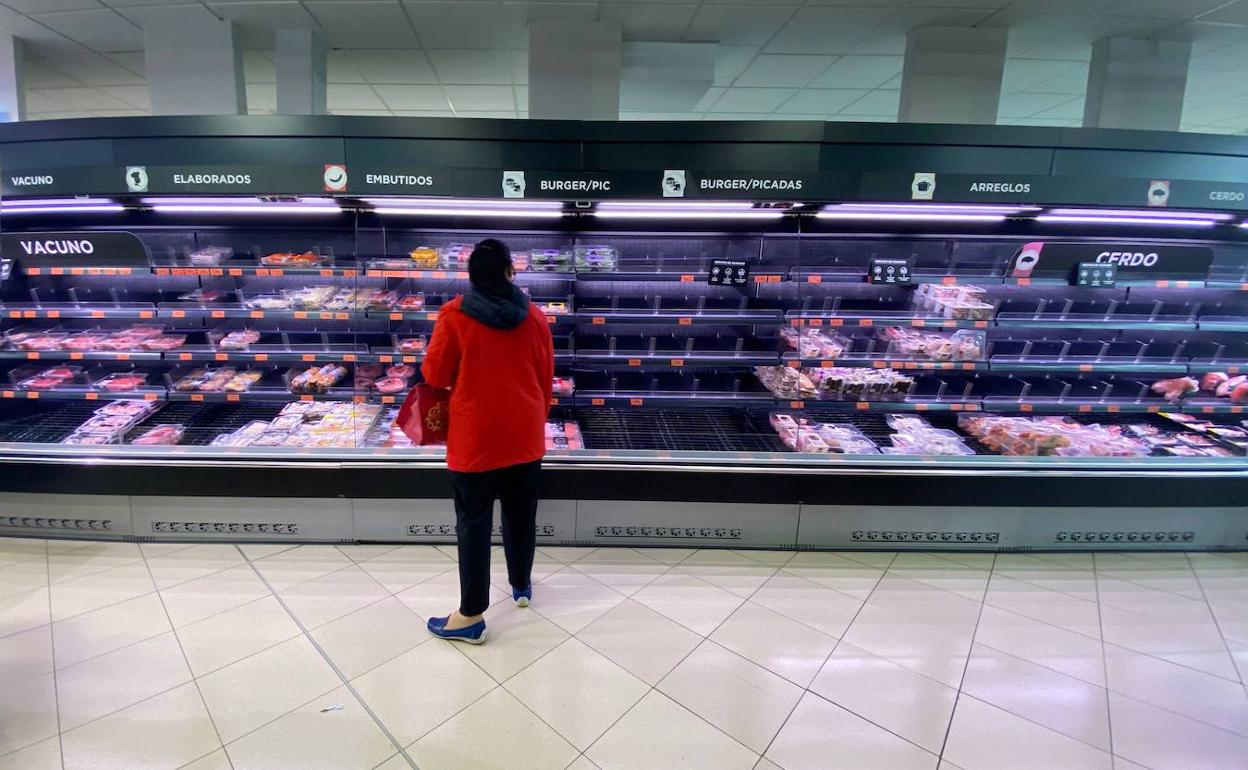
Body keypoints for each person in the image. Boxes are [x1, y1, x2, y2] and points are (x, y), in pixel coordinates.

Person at [420, 238, 554, 644]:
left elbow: (436, 377)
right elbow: (546, 378)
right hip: (524, 434)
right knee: (520, 515)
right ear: (510, 272)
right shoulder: (534, 316)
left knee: (474, 523)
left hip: (476, 438)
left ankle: (471, 615)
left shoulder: (454, 315)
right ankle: (521, 586)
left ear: (472, 277)